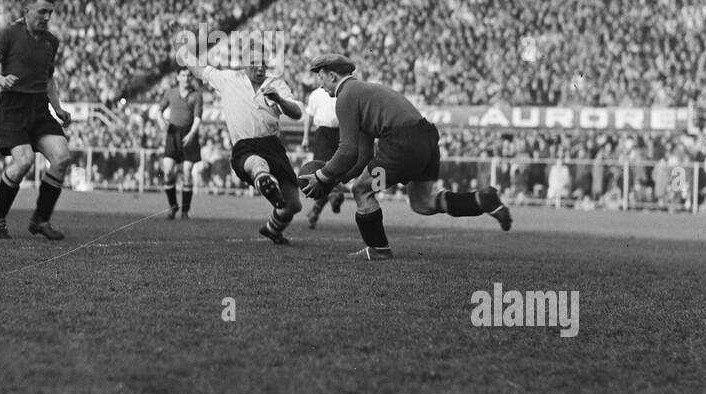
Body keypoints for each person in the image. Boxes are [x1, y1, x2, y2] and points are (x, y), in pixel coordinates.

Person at [299, 53, 510, 260]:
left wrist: (322, 176)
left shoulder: (345, 96)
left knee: (362, 189)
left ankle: (378, 248)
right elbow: (362, 156)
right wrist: (336, 178)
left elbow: (347, 151)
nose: (320, 84)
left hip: (401, 145)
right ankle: (483, 199)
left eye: (321, 77)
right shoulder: (361, 91)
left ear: (333, 76)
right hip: (425, 140)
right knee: (423, 203)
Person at [174, 38, 302, 246]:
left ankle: (272, 229)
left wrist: (280, 100)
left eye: (263, 63)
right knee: (257, 164)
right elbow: (199, 70)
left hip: (272, 144)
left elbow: (297, 113)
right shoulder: (228, 79)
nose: (260, 68)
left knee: (294, 205)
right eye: (255, 63)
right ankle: (264, 180)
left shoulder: (277, 84)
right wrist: (181, 49)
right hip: (245, 146)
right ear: (244, 62)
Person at [0, 0, 74, 240]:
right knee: (24, 161)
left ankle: (40, 220)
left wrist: (58, 107)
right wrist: (1, 79)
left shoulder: (51, 42)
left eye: (50, 13)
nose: (46, 17)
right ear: (27, 11)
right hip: (13, 109)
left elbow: (48, 79)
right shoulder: (9, 34)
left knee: (62, 157)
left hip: (39, 109)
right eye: (42, 12)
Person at [158, 66, 203, 220]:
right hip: (173, 134)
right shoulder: (170, 93)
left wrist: (192, 133)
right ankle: (172, 207)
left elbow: (198, 117)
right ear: (177, 77)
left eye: (188, 75)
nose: (186, 77)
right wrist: (160, 120)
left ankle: (185, 211)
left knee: (187, 171)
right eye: (183, 75)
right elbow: (159, 110)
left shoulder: (196, 95)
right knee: (168, 171)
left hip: (189, 134)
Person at [301, 81, 346, 229]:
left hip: (341, 133)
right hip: (323, 134)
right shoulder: (315, 94)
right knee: (324, 170)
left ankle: (316, 210)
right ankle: (334, 194)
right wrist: (306, 137)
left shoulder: (342, 93)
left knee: (337, 170)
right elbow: (308, 115)